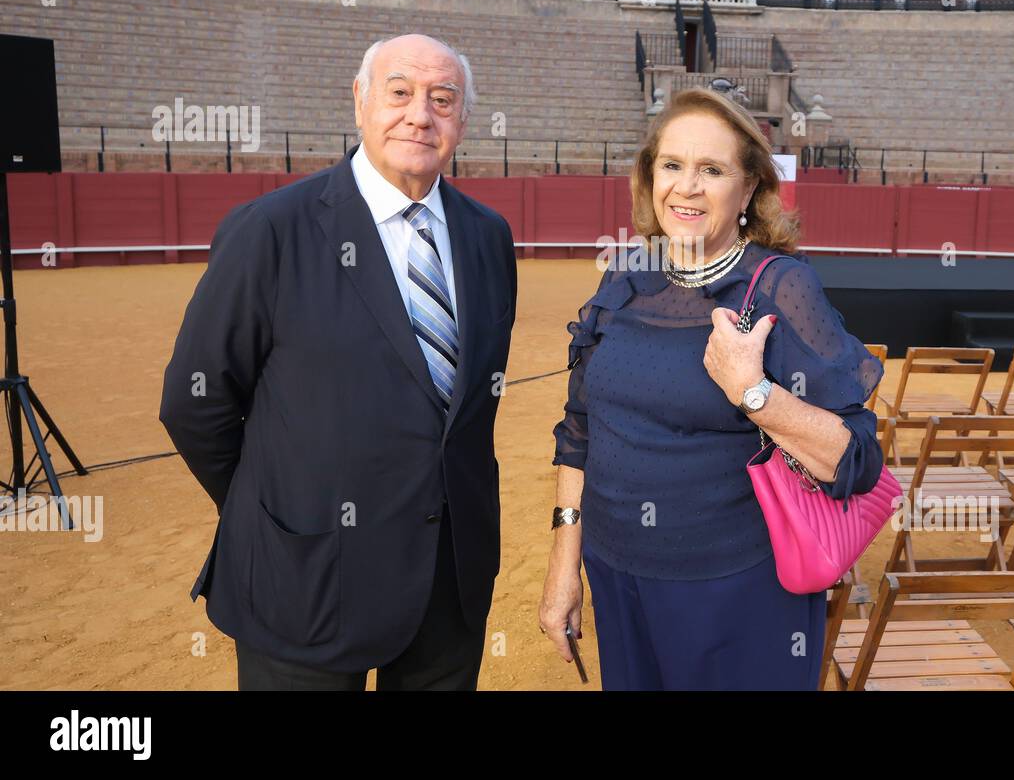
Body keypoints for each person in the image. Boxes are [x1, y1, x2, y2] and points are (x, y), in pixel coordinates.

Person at [160, 34, 516, 690]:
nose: (420, 115)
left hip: (449, 580)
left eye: (443, 100)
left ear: (463, 122)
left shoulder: (488, 237)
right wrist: (278, 510)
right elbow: (193, 402)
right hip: (305, 576)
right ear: (359, 101)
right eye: (400, 92)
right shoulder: (270, 229)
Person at [538, 87, 884, 690]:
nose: (687, 187)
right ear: (650, 177)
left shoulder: (782, 288)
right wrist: (563, 565)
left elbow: (856, 460)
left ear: (748, 189)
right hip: (617, 575)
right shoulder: (624, 277)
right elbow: (579, 430)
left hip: (735, 587)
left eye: (712, 170)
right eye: (672, 165)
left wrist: (755, 393)